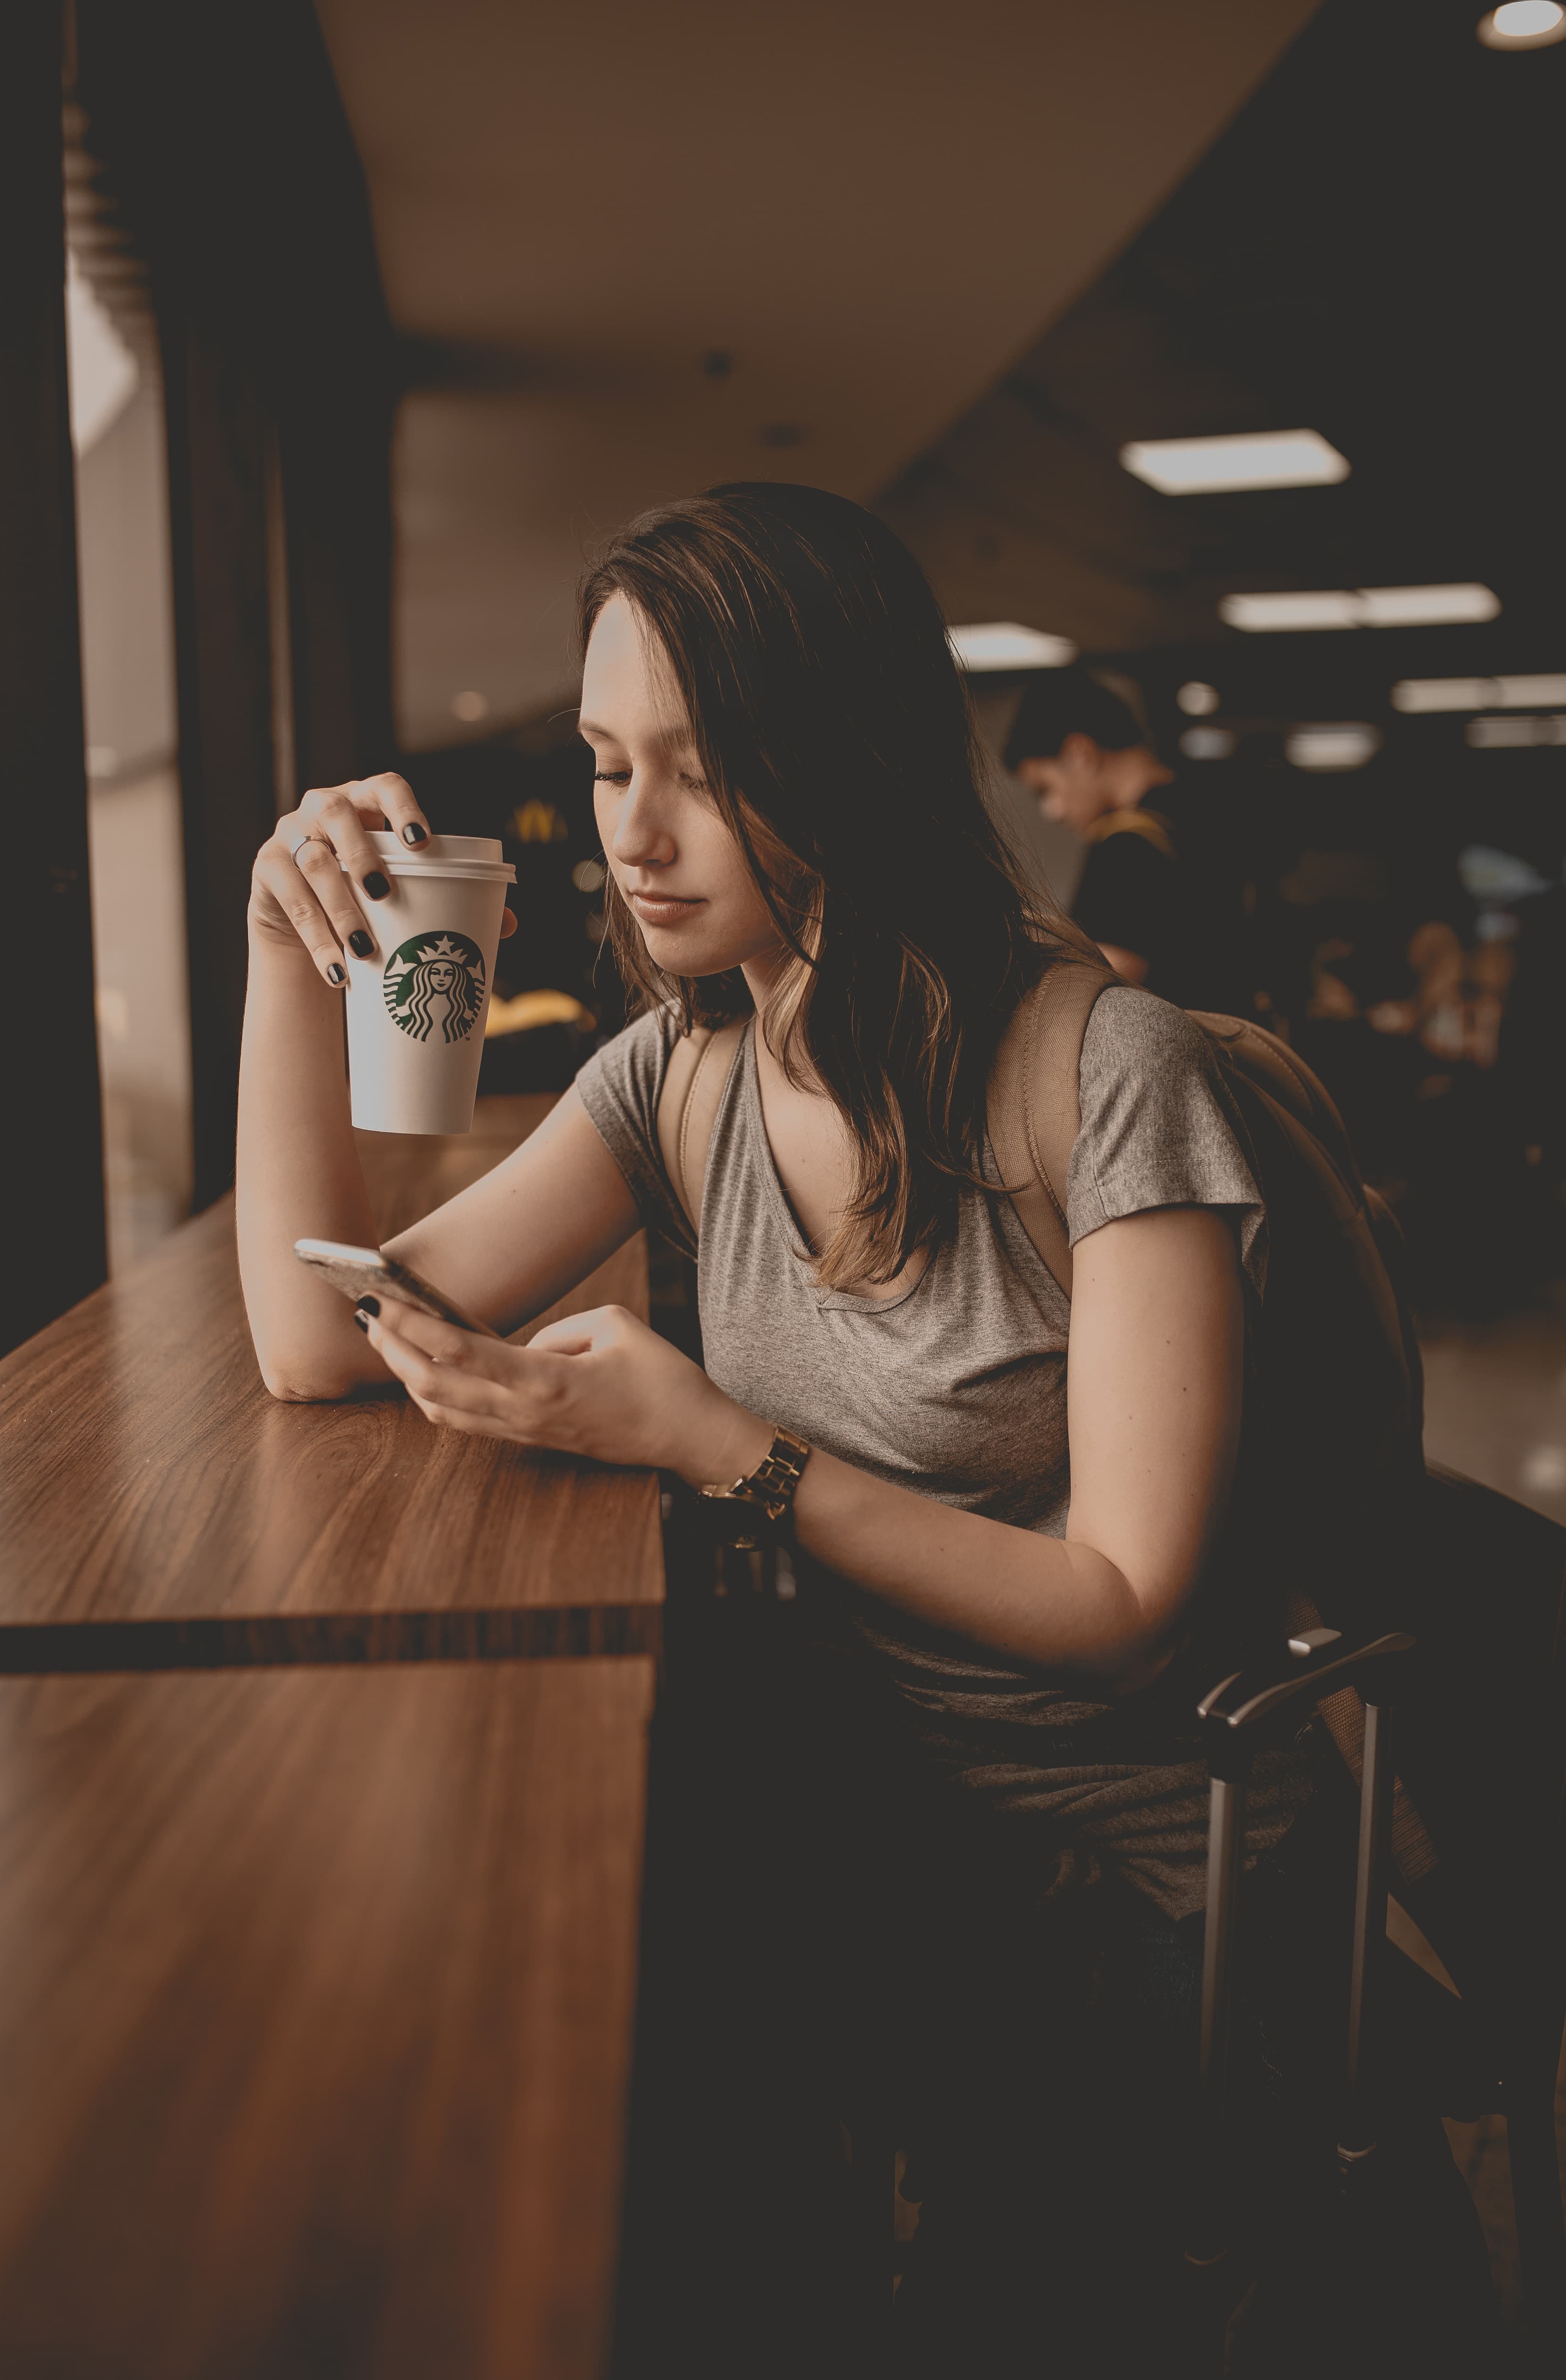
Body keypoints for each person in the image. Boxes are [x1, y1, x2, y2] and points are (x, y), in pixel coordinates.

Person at [237, 485, 1488, 2373]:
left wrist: (717, 1441)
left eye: (702, 767)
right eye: (601, 767)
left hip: (1155, 1872)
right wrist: (279, 954)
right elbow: (318, 1335)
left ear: (847, 758)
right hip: (889, 1818)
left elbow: (1121, 1596)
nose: (632, 836)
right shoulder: (682, 1070)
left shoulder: (1104, 1073)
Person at [1003, 667, 1256, 1015]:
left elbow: (1098, 982)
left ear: (1080, 753)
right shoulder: (1211, 810)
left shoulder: (1126, 845)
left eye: (1045, 789)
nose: (1052, 811)